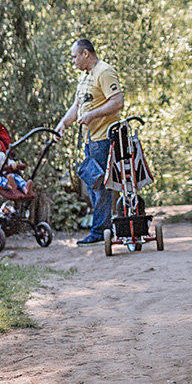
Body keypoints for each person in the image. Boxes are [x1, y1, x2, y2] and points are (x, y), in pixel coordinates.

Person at [54, 38, 124, 245]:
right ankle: (103, 229)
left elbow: (117, 102)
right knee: (94, 184)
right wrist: (63, 124)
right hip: (90, 140)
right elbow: (77, 107)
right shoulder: (84, 78)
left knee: (101, 186)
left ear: (86, 54)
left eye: (75, 56)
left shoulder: (104, 72)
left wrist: (93, 115)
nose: (73, 61)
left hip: (104, 139)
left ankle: (100, 231)